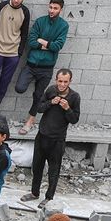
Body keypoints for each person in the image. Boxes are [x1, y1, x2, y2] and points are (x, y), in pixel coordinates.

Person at [28, 69, 80, 201]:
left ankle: (49, 198)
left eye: (65, 82)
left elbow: (74, 119)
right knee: (37, 167)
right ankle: (34, 193)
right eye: (60, 81)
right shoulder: (50, 90)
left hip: (57, 140)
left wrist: (67, 108)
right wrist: (51, 102)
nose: (62, 84)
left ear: (70, 81)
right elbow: (39, 108)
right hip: (42, 136)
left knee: (53, 171)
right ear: (56, 80)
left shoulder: (74, 97)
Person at [21, 0, 69, 130]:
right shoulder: (40, 21)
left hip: (47, 68)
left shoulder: (63, 25)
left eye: (55, 8)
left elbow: (57, 46)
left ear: (61, 9)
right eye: (51, 7)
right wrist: (48, 45)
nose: (52, 10)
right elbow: (31, 41)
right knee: (20, 88)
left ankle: (30, 121)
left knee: (38, 95)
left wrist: (42, 41)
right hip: (31, 64)